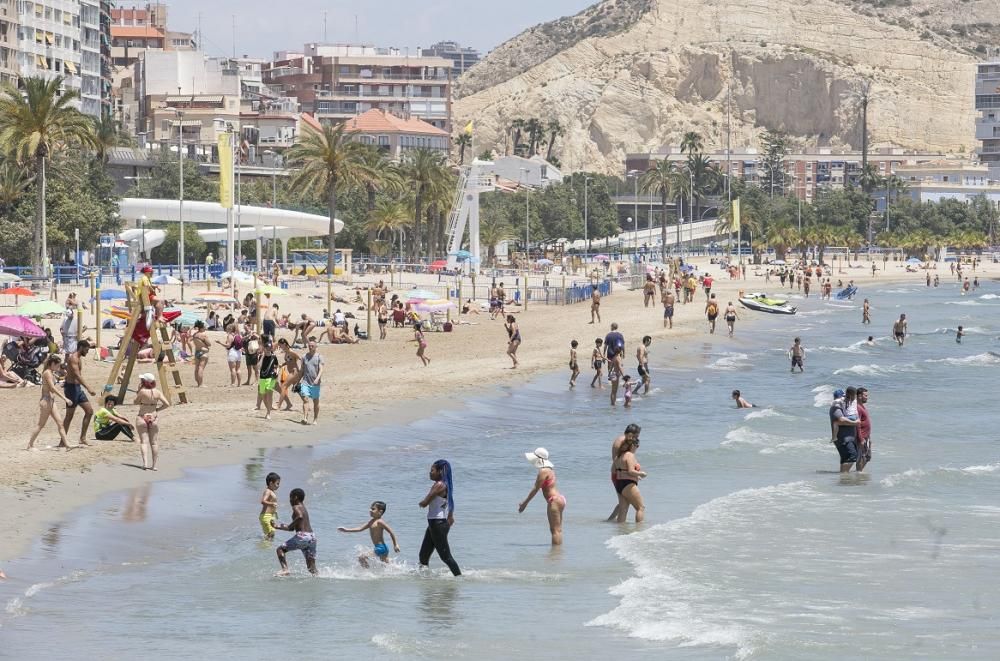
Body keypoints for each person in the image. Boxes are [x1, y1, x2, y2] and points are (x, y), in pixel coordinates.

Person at [418, 459, 461, 576]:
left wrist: (420, 503)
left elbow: (425, 502)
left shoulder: (439, 485)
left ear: (440, 472)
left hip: (437, 524)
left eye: (432, 470)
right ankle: (424, 580)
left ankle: (459, 578)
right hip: (435, 524)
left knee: (446, 557)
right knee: (423, 555)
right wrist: (450, 516)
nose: (430, 473)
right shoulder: (445, 484)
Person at [518, 448, 565, 546]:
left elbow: (535, 489)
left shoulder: (543, 471)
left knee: (555, 531)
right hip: (559, 499)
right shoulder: (550, 469)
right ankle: (558, 554)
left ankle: (555, 556)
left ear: (539, 459)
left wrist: (524, 504)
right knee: (557, 530)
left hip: (554, 501)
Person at [27, 355, 72, 450]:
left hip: (52, 401)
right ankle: (30, 445)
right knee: (41, 425)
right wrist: (65, 399)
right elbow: (52, 388)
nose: (58, 368)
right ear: (52, 364)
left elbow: (58, 379)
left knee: (60, 423)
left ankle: (67, 445)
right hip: (46, 401)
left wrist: (64, 375)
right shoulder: (47, 373)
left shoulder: (51, 372)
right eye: (57, 365)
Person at [338, 501, 401, 567]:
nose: (370, 510)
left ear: (380, 512)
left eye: (373, 509)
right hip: (382, 548)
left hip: (381, 547)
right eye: (370, 508)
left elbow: (391, 532)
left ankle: (367, 572)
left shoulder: (380, 522)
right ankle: (403, 570)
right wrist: (346, 530)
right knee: (387, 566)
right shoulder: (371, 522)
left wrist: (395, 544)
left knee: (361, 557)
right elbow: (360, 528)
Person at [274, 488, 318, 576]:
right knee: (311, 568)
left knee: (280, 549)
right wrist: (277, 526)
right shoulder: (304, 508)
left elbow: (300, 517)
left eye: (290, 498)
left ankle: (285, 569)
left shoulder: (296, 507)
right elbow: (291, 528)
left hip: (303, 536)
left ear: (295, 497)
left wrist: (290, 525)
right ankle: (317, 576)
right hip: (312, 537)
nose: (289, 501)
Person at [62, 339, 96, 447]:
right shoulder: (73, 358)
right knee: (69, 416)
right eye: (87, 349)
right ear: (81, 347)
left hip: (77, 388)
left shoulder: (79, 358)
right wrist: (89, 388)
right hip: (71, 389)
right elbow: (77, 375)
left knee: (89, 411)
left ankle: (82, 438)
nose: (87, 352)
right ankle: (62, 441)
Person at [133, 373, 169, 471]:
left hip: (142, 416)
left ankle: (145, 464)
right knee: (154, 443)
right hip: (153, 417)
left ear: (144, 382)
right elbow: (167, 404)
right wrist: (157, 410)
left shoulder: (142, 392)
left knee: (144, 442)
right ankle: (154, 466)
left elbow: (135, 402)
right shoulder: (157, 392)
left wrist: (139, 391)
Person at [607, 424, 640, 521]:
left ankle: (611, 522)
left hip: (622, 474)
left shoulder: (627, 441)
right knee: (624, 504)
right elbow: (616, 461)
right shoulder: (620, 441)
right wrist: (630, 472)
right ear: (632, 434)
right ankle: (611, 521)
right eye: (637, 436)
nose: (637, 438)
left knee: (625, 502)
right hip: (618, 475)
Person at [613, 433, 647, 523]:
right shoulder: (630, 455)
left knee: (623, 510)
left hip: (619, 484)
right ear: (633, 445)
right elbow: (630, 471)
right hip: (628, 484)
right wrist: (641, 473)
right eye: (637, 446)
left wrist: (636, 476)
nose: (637, 448)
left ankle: (620, 532)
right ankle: (640, 532)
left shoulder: (619, 456)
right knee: (640, 507)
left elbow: (618, 470)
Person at [829, 388, 860, 473]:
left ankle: (843, 477)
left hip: (848, 438)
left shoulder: (844, 406)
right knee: (852, 456)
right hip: (843, 438)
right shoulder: (836, 407)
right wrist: (855, 423)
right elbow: (840, 420)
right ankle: (844, 475)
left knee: (846, 458)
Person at [298, 339, 324, 425]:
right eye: (309, 346)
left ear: (316, 347)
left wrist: (317, 378)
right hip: (305, 381)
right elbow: (302, 370)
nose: (310, 347)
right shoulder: (304, 356)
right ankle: (305, 418)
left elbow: (321, 369)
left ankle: (315, 419)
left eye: (312, 346)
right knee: (305, 399)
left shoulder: (319, 357)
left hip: (315, 383)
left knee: (315, 401)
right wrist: (297, 381)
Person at [256, 341, 279, 419]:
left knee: (269, 395)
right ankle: (268, 409)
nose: (268, 350)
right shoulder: (261, 356)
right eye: (267, 348)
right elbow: (258, 367)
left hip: (271, 378)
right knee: (263, 396)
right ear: (264, 348)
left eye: (270, 348)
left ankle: (268, 413)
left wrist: (276, 372)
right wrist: (262, 357)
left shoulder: (274, 356)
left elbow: (277, 365)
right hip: (262, 377)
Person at [259, 472, 281, 541]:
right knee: (270, 534)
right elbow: (262, 501)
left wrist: (275, 511)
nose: (278, 486)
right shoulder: (268, 491)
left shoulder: (272, 491)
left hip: (270, 516)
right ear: (271, 483)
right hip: (266, 516)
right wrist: (272, 504)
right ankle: (264, 547)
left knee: (271, 534)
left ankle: (266, 547)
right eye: (277, 483)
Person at [856, 387, 872, 472]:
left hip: (866, 437)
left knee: (867, 457)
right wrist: (861, 438)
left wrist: (869, 437)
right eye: (865, 395)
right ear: (859, 396)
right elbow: (857, 423)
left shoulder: (862, 406)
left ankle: (858, 472)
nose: (867, 397)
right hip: (861, 437)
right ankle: (858, 474)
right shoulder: (858, 407)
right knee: (861, 457)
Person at [191, 321, 210, 387]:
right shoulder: (203, 335)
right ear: (201, 328)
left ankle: (198, 383)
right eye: (204, 327)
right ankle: (201, 384)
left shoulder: (194, 335)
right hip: (203, 352)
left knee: (197, 368)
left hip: (197, 351)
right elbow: (209, 344)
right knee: (201, 368)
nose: (205, 328)